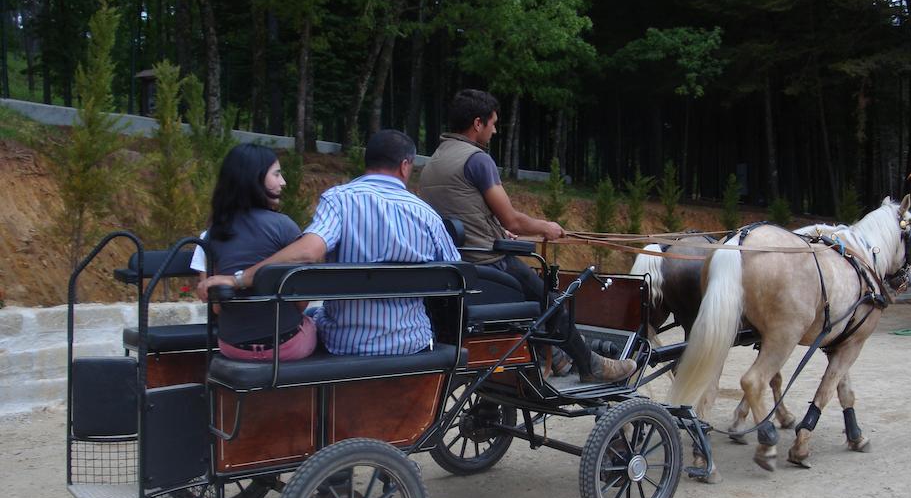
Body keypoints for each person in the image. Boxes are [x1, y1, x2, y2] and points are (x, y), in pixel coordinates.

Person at [419, 89, 636, 383]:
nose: (496, 130)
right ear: (478, 123)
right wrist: (546, 227)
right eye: (493, 123)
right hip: (489, 263)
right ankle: (590, 365)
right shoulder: (477, 160)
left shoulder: (433, 163)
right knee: (554, 302)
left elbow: (462, 212)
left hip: (457, 264)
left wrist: (496, 229)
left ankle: (557, 360)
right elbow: (513, 220)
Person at [199, 129, 460, 356]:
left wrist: (240, 279)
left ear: (366, 162)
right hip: (411, 342)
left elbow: (309, 251)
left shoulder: (339, 201)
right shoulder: (427, 214)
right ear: (405, 166)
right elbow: (455, 274)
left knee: (313, 317)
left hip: (345, 343)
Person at [198, 143, 318, 362]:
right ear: (255, 178)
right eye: (277, 174)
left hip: (232, 347)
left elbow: (216, 307)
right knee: (316, 321)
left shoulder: (213, 233)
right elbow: (302, 302)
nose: (283, 182)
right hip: (286, 346)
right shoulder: (284, 226)